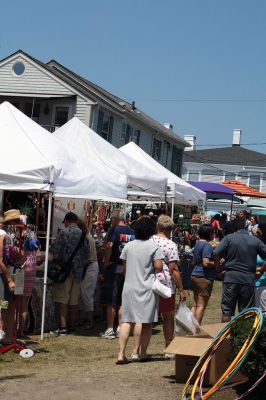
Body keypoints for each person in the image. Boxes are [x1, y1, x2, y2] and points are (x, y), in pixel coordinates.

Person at [116, 216, 163, 364]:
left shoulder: (128, 246)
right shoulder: (154, 247)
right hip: (147, 287)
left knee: (126, 320)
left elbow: (124, 266)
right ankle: (142, 352)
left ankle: (121, 354)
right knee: (146, 321)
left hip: (129, 286)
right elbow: (159, 267)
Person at [214, 217, 266, 322]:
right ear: (246, 226)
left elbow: (215, 254)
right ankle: (243, 336)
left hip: (231, 278)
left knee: (227, 311)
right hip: (248, 279)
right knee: (246, 312)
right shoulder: (255, 240)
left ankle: (226, 337)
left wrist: (218, 270)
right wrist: (261, 270)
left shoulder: (228, 238)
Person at [152, 215, 186, 353]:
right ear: (171, 230)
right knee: (168, 316)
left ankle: (140, 349)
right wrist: (181, 289)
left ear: (158, 227)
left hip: (148, 282)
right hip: (165, 286)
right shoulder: (171, 245)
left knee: (146, 317)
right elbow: (173, 270)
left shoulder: (149, 241)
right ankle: (168, 347)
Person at [50, 212, 88, 336]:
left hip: (65, 271)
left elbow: (54, 249)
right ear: (76, 221)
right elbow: (86, 253)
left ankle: (63, 326)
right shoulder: (83, 234)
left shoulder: (63, 233)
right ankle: (72, 324)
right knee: (74, 300)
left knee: (63, 299)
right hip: (78, 271)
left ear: (66, 221)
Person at [101, 212, 135, 339]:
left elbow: (109, 246)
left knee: (111, 299)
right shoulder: (132, 231)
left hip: (114, 267)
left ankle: (110, 328)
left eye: (112, 219)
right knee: (122, 299)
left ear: (116, 219)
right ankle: (120, 326)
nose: (111, 221)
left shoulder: (114, 230)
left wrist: (106, 262)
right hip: (127, 268)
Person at [191, 224, 217, 325]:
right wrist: (216, 263)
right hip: (204, 277)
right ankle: (196, 329)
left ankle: (190, 327)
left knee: (195, 304)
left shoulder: (197, 244)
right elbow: (206, 262)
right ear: (209, 234)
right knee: (201, 305)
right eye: (213, 233)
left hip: (195, 275)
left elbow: (194, 261)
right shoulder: (207, 245)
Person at [78, 219, 99, 329]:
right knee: (83, 293)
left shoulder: (87, 238)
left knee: (87, 293)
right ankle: (83, 319)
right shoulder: (86, 237)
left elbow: (88, 257)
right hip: (88, 266)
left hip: (90, 266)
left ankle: (88, 320)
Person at [254, 223, 266, 311]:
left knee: (261, 313)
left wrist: (260, 270)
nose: (255, 234)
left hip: (262, 285)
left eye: (258, 233)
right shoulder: (256, 245)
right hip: (256, 284)